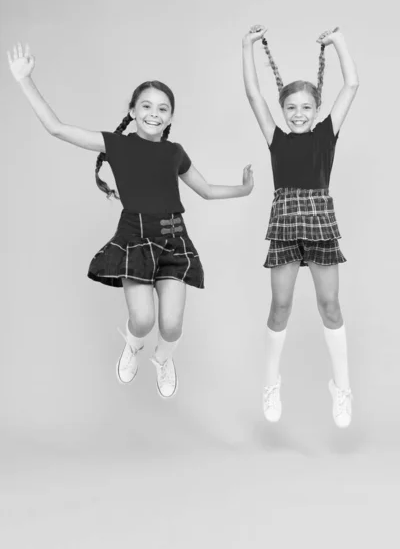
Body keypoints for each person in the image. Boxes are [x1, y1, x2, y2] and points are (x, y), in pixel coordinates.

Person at [8, 42, 254, 400]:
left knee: (171, 324)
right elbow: (57, 128)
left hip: (174, 239)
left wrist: (244, 189)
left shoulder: (175, 152)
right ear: (133, 111)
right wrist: (24, 80)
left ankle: (163, 358)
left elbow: (207, 190)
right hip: (134, 239)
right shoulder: (115, 144)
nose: (154, 114)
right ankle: (134, 345)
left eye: (163, 108)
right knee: (144, 321)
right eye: (147, 106)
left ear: (170, 117)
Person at [242, 26, 358, 427]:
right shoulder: (276, 137)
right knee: (281, 306)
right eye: (291, 106)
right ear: (284, 109)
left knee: (330, 306)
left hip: (321, 220)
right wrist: (247, 47)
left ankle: (342, 388)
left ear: (316, 108)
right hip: (286, 221)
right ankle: (270, 382)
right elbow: (254, 95)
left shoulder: (327, 133)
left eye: (306, 107)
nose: (298, 113)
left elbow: (352, 83)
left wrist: (338, 42)